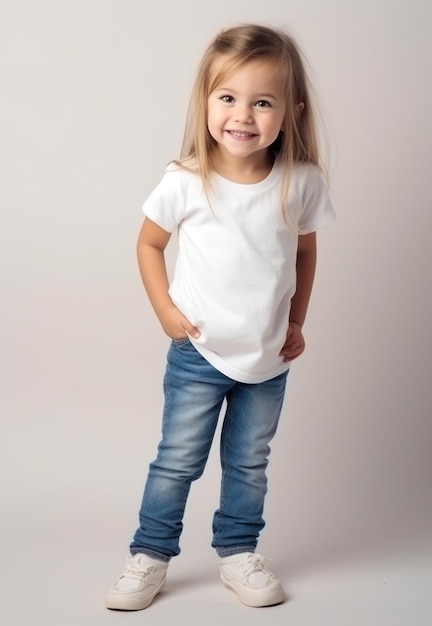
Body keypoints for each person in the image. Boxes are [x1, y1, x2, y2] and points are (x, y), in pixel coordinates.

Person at [105, 23, 335, 611]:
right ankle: (150, 555)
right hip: (198, 351)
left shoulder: (300, 182)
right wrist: (165, 309)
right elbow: (148, 244)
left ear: (290, 111)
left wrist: (296, 322)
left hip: (266, 356)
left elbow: (305, 253)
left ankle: (238, 552)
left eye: (262, 101)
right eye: (227, 97)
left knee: (249, 463)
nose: (243, 114)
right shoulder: (187, 179)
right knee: (178, 459)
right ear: (205, 101)